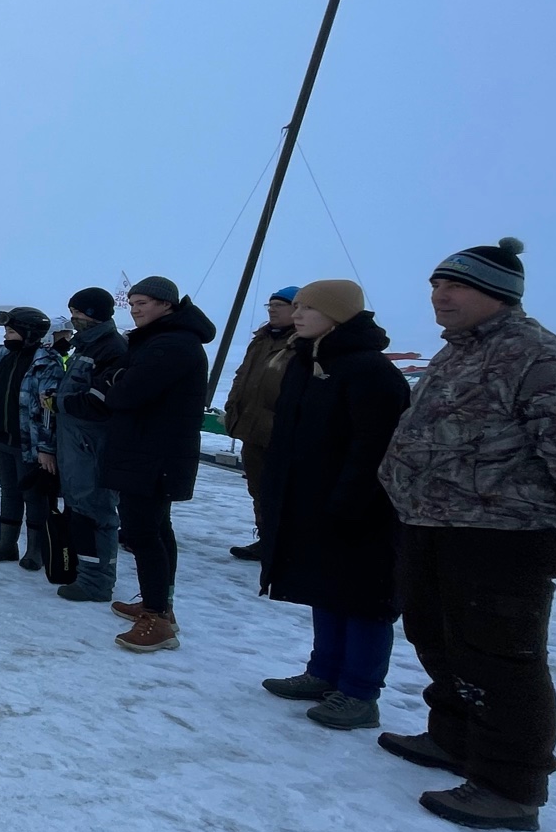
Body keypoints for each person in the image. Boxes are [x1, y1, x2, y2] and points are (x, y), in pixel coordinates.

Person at [378, 238, 556, 832]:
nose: (439, 296)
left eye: (456, 286)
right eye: (435, 285)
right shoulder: (457, 354)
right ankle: (453, 738)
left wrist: (518, 505)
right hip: (432, 524)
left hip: (504, 538)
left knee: (501, 660)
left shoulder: (543, 358)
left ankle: (510, 785)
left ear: (500, 294)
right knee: (436, 635)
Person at [255, 280, 413, 730]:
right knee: (324, 588)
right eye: (297, 306)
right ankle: (323, 671)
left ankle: (360, 693)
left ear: (339, 315)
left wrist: (347, 504)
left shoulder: (369, 371)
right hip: (312, 501)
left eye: (310, 307)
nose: (297, 314)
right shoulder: (308, 360)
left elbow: (374, 448)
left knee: (363, 597)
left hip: (360, 510)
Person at [95, 277, 216, 653]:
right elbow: (117, 381)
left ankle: (158, 619)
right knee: (155, 529)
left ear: (167, 304)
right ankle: (158, 604)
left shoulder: (173, 344)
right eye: (131, 303)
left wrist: (116, 382)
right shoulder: (157, 339)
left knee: (144, 533)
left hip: (154, 453)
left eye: (142, 302)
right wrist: (117, 380)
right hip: (146, 450)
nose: (134, 309)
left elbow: (126, 393)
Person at [55, 288, 127, 604]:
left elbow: (100, 400)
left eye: (79, 313)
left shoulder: (111, 348)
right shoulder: (87, 344)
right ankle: (83, 572)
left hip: (92, 445)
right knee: (80, 510)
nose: (74, 318)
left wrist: (60, 403)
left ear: (94, 314)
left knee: (96, 511)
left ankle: (97, 582)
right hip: (75, 443)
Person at [0, 307, 64, 568]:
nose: (6, 336)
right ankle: (6, 544)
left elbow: (48, 410)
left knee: (34, 495)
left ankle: (35, 550)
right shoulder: (3, 354)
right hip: (1, 438)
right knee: (9, 491)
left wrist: (46, 447)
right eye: (5, 330)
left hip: (30, 443)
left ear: (29, 334)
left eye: (11, 331)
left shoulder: (47, 362)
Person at [221, 286, 301, 559]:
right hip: (251, 428)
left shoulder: (303, 344)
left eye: (280, 305)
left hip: (281, 432)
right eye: (271, 305)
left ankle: (287, 544)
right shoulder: (261, 339)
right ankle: (267, 539)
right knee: (259, 488)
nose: (273, 310)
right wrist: (233, 407)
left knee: (285, 492)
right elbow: (243, 375)